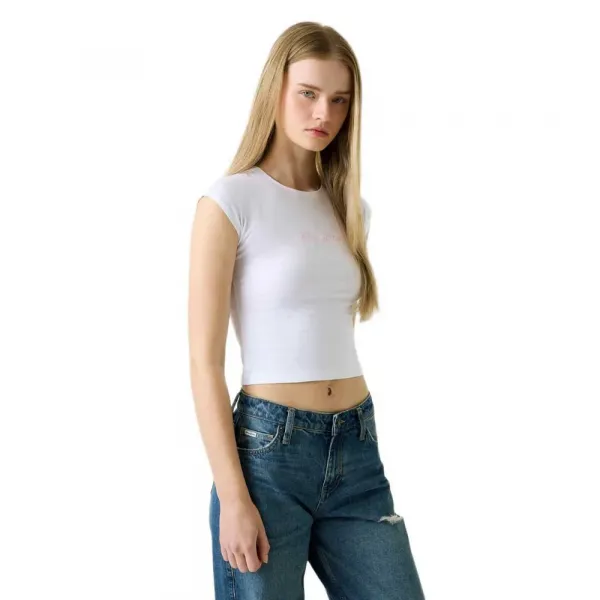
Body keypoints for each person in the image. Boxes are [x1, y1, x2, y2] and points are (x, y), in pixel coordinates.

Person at [188, 21, 426, 600]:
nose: (324, 113)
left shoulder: (351, 209)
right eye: (309, 93)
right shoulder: (230, 201)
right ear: (276, 89)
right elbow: (203, 364)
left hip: (357, 448)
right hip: (268, 459)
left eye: (340, 100)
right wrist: (234, 497)